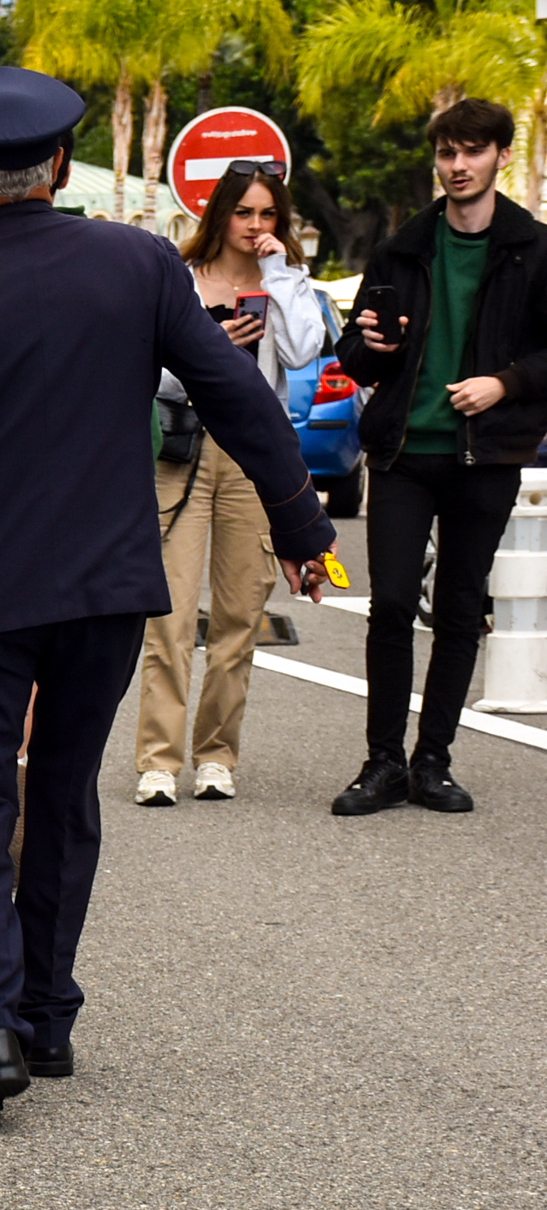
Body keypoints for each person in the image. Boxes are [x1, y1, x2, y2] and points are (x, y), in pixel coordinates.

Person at [0, 65, 333, 1113]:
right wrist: (302, 526)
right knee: (67, 790)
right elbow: (233, 396)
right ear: (60, 167)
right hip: (104, 584)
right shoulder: (135, 265)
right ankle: (47, 1017)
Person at [330, 98, 547, 817]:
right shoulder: (402, 246)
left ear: (499, 158)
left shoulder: (533, 247)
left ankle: (433, 761)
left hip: (485, 455)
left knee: (458, 610)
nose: (457, 167)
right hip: (401, 449)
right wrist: (370, 345)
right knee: (390, 603)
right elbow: (355, 356)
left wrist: (504, 383)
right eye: (447, 154)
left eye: (471, 153)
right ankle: (383, 762)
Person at [134, 161, 326, 808]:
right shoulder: (181, 281)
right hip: (183, 451)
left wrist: (278, 275)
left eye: (267, 214)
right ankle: (158, 760)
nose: (254, 225)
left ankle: (216, 755)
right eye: (243, 212)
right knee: (169, 612)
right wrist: (208, 348)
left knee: (241, 613)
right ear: (220, 214)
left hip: (253, 454)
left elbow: (305, 351)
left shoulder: (286, 282)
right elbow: (149, 372)